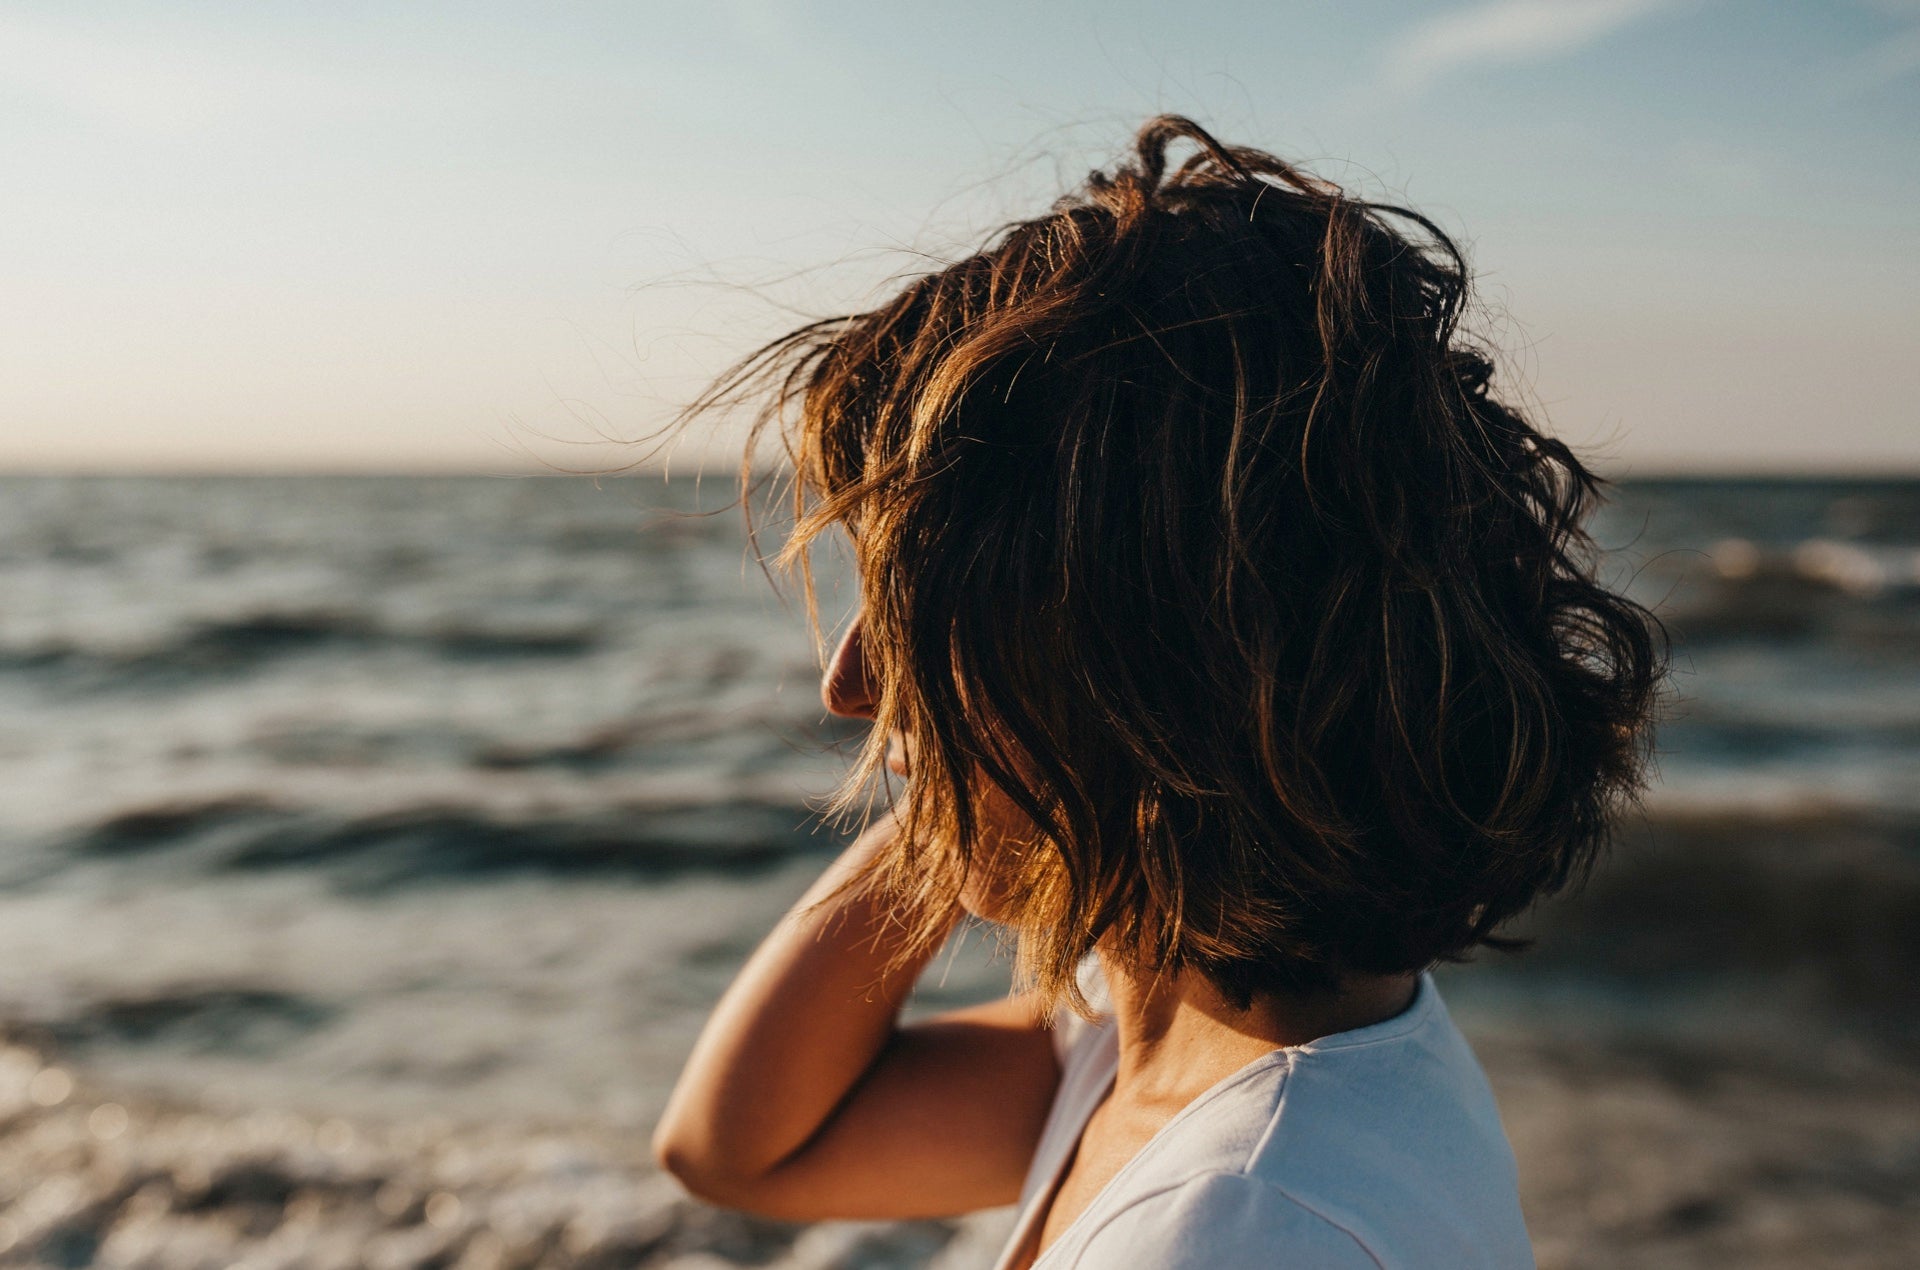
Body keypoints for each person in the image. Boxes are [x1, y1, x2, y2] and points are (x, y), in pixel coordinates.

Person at [651, 116, 1663, 1268]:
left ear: (1133, 653)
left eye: (920, 619)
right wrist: (950, 753)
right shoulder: (1177, 1039)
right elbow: (739, 1150)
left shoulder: (1246, 1223)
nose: (852, 686)